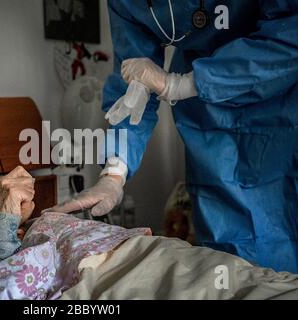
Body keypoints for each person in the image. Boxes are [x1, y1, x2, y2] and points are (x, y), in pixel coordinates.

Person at [50, 0, 298, 273]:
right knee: (228, 259)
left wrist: (180, 85)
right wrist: (113, 176)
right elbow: (131, 90)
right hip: (208, 124)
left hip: (280, 103)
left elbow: (290, 35)